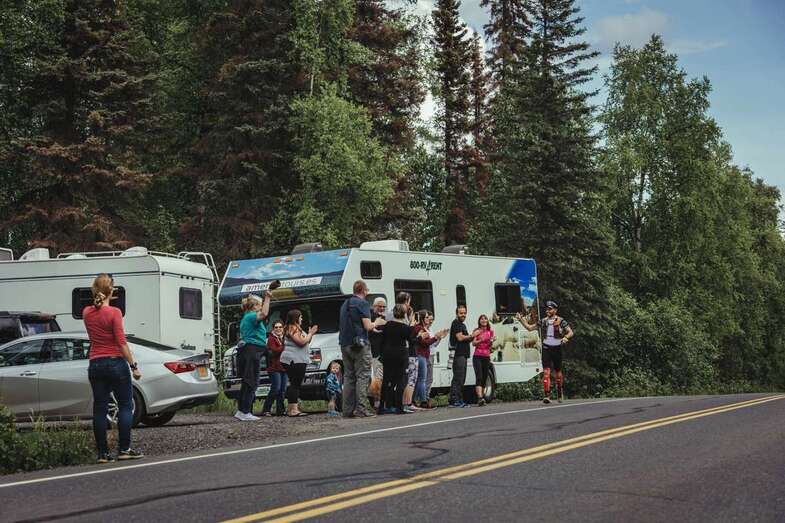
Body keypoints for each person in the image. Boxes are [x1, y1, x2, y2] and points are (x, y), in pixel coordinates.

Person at [83, 273, 143, 463]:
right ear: (112, 291)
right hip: (115, 362)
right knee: (125, 405)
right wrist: (133, 366)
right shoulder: (115, 313)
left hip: (95, 363)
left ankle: (103, 454)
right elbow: (121, 343)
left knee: (100, 408)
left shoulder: (86, 313)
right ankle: (124, 449)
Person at [338, 280, 386, 418]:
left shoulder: (345, 304)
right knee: (363, 376)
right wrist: (377, 322)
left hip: (345, 344)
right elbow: (367, 326)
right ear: (364, 290)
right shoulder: (362, 303)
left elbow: (353, 324)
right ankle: (362, 409)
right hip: (359, 345)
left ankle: (347, 410)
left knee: (349, 377)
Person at [518, 300, 573, 403]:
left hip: (557, 347)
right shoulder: (543, 321)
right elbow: (530, 328)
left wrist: (566, 337)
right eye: (547, 309)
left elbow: (570, 332)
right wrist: (521, 320)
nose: (547, 311)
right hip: (546, 347)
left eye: (550, 309)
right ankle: (547, 396)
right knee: (546, 372)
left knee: (558, 372)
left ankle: (559, 393)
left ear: (555, 310)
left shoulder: (561, 321)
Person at [235, 292, 271, 421]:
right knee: (251, 381)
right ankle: (245, 411)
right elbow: (265, 313)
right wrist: (268, 297)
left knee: (248, 381)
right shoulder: (251, 316)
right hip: (252, 350)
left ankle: (242, 411)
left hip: (251, 350)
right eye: (260, 305)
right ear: (254, 306)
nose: (261, 307)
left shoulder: (247, 317)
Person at [281, 309, 318, 416]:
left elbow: (306, 341)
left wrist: (310, 335)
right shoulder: (292, 328)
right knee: (295, 384)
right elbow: (301, 342)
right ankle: (293, 410)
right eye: (300, 317)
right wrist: (310, 333)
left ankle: (291, 408)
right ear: (296, 318)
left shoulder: (295, 328)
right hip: (295, 359)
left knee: (294, 383)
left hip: (297, 358)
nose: (302, 319)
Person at [377, 304, 412, 414]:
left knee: (387, 380)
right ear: (404, 314)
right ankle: (398, 406)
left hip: (387, 355)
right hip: (400, 355)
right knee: (400, 380)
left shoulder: (387, 325)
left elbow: (382, 340)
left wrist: (381, 354)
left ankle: (382, 406)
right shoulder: (405, 328)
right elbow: (411, 340)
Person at [413, 310, 448, 409]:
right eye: (427, 317)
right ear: (422, 319)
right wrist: (436, 337)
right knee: (422, 379)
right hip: (421, 355)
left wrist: (438, 337)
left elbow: (430, 342)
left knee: (422, 379)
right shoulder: (419, 328)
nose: (429, 319)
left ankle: (416, 400)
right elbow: (425, 343)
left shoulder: (423, 328)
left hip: (424, 355)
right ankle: (423, 401)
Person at [448, 305, 474, 407]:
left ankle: (458, 400)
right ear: (457, 314)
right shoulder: (456, 323)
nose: (463, 315)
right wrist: (471, 336)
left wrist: (472, 337)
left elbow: (465, 338)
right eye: (461, 313)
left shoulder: (462, 324)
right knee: (458, 378)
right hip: (458, 355)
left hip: (463, 355)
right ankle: (454, 400)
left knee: (461, 378)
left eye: (464, 313)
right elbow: (460, 337)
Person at [260, 320, 287, 416]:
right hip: (273, 368)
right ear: (273, 329)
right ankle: (266, 409)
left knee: (282, 390)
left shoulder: (285, 338)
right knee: (276, 388)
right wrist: (284, 346)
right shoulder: (271, 339)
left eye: (280, 327)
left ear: (283, 328)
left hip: (284, 367)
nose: (278, 329)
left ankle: (280, 410)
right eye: (276, 327)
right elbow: (275, 351)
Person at [471, 314, 495, 406]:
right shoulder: (477, 331)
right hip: (477, 356)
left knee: (485, 377)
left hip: (486, 356)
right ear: (479, 321)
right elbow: (473, 343)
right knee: (479, 376)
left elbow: (489, 346)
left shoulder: (490, 332)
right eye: (481, 319)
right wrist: (481, 340)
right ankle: (480, 398)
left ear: (487, 321)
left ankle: (483, 397)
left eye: (485, 319)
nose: (483, 320)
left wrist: (491, 342)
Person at [368, 297, 386, 407]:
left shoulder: (384, 318)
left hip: (381, 353)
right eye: (380, 306)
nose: (382, 308)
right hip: (374, 353)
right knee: (376, 378)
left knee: (380, 377)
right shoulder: (370, 317)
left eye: (384, 306)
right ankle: (376, 402)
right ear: (374, 306)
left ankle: (379, 402)